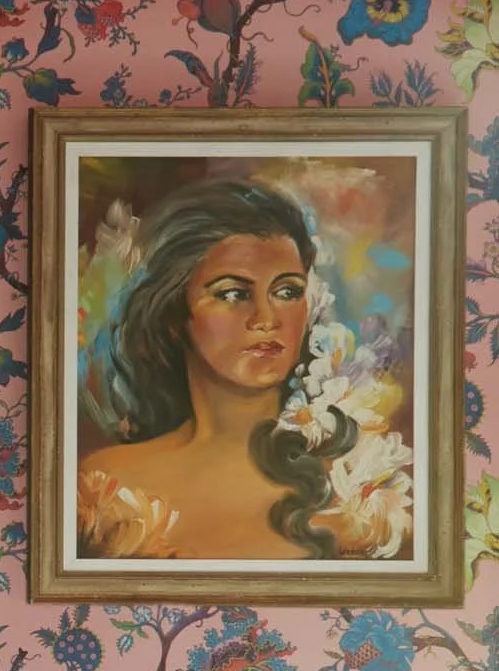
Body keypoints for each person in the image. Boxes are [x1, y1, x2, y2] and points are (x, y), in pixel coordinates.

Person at [76, 178, 360, 562]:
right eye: (232, 294)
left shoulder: (356, 482)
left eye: (287, 292)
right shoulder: (106, 488)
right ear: (176, 315)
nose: (266, 318)